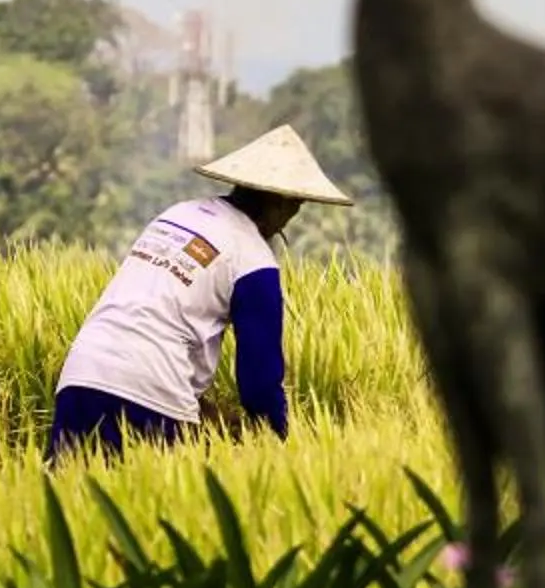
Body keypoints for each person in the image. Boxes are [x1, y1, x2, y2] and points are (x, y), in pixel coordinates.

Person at [46, 127, 356, 460]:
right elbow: (259, 383)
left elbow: (156, 323)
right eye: (298, 205)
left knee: (67, 501)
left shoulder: (177, 215)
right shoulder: (254, 259)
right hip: (153, 392)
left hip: (81, 373)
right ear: (287, 202)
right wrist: (278, 446)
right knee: (164, 506)